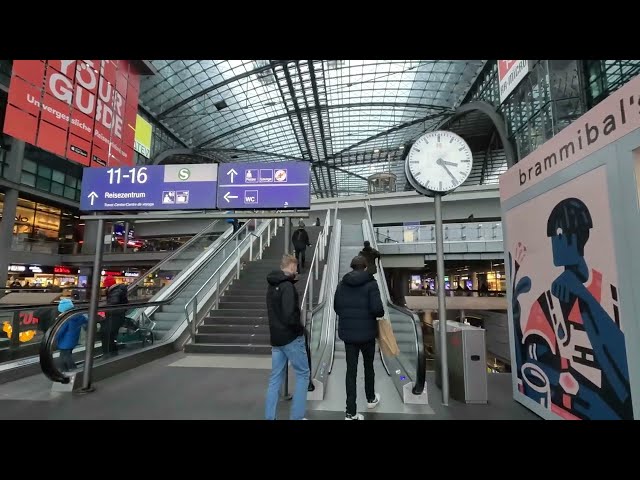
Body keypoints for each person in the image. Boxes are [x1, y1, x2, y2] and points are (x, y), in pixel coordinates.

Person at [333, 255, 385, 420]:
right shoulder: (371, 283)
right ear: (364, 266)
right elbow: (378, 310)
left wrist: (348, 316)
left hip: (349, 335)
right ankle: (370, 398)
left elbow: (337, 307)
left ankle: (350, 412)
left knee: (351, 372)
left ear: (352, 266)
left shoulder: (342, 284)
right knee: (369, 367)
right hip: (368, 334)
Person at [264, 254, 310, 421]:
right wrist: (300, 330)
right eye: (295, 267)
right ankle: (297, 417)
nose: (296, 270)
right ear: (291, 266)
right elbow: (291, 314)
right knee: (303, 374)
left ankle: (269, 417)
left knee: (275, 379)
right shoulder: (287, 287)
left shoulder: (271, 286)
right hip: (291, 338)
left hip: (276, 339)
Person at [55, 298, 88, 372]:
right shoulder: (77, 315)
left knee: (66, 356)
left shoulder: (66, 318)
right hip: (73, 339)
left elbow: (60, 330)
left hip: (65, 340)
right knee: (64, 355)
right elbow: (85, 320)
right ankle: (63, 370)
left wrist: (54, 337)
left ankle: (74, 370)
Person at [103, 276, 128, 356]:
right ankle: (111, 353)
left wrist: (103, 308)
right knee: (110, 335)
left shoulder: (115, 291)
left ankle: (109, 353)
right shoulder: (117, 290)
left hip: (114, 316)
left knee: (107, 335)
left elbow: (113, 303)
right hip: (117, 316)